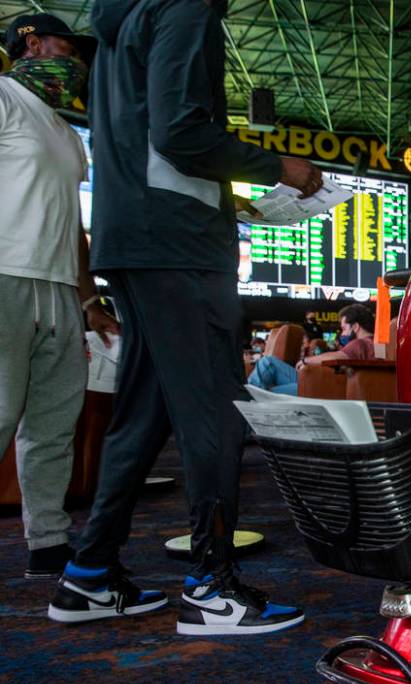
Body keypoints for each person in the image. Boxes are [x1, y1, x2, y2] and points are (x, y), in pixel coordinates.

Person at [48, 0, 323, 633]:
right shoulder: (188, 7)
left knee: (142, 412)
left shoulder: (121, 23)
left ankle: (89, 573)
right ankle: (212, 586)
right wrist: (279, 167)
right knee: (217, 413)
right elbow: (179, 134)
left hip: (134, 231)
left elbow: (151, 136)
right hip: (177, 242)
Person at [0, 14, 122, 579]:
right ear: (31, 43)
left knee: (54, 422)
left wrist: (89, 298)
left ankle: (47, 543)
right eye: (67, 50)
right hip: (5, 274)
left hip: (58, 290)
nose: (75, 65)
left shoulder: (67, 133)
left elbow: (72, 223)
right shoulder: (2, 97)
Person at [247, 303, 377, 394]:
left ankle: (247, 405)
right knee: (267, 369)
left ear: (355, 327)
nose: (342, 334)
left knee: (266, 379)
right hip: (328, 383)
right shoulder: (376, 344)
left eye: (343, 329)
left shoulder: (360, 343)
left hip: (323, 386)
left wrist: (306, 361)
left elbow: (338, 356)